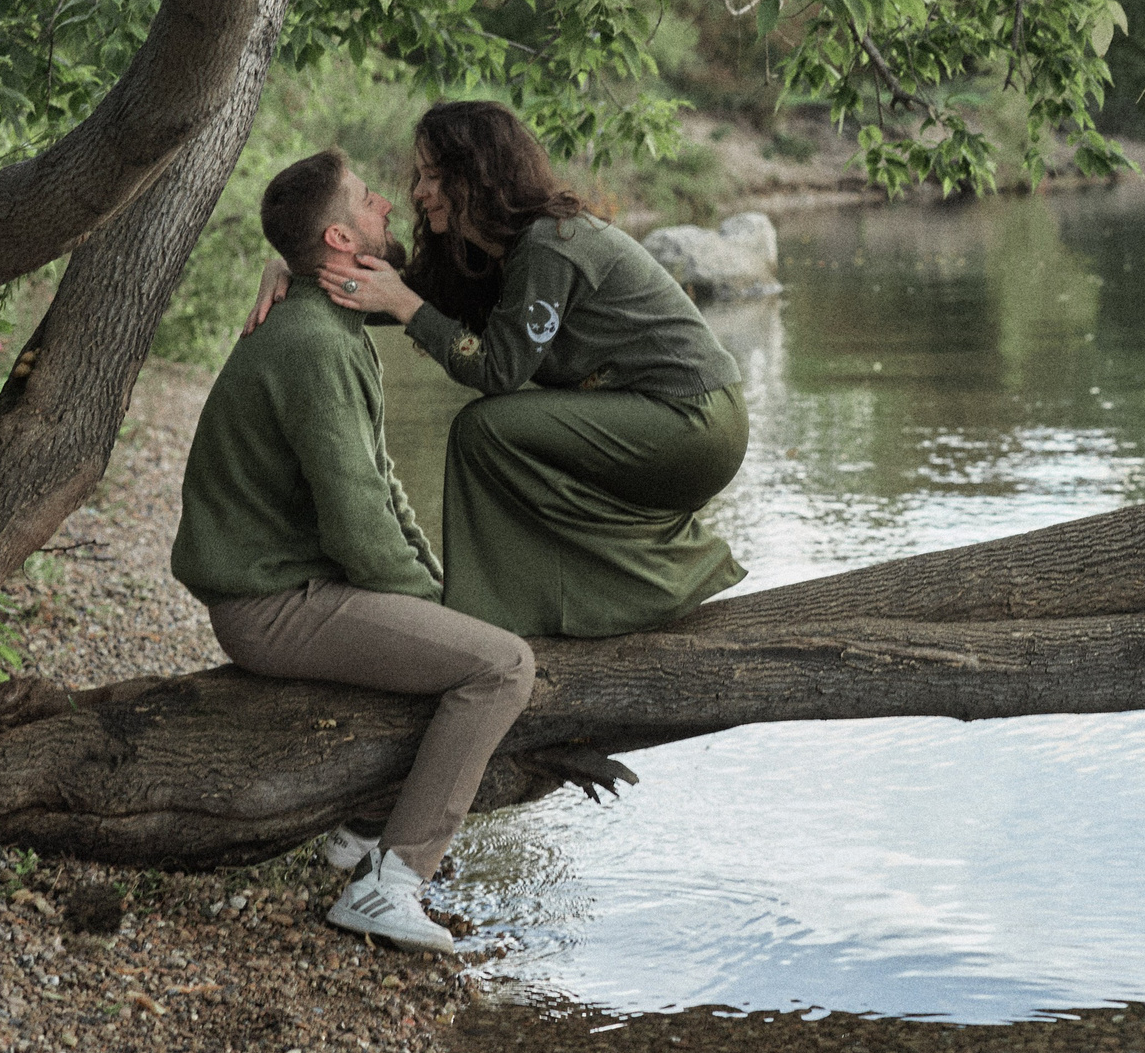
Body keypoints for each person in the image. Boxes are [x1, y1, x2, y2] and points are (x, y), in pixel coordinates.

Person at [175, 148, 535, 953]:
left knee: (463, 635)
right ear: (341, 237)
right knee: (502, 666)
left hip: (294, 585)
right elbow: (359, 529)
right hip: (271, 605)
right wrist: (443, 610)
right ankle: (392, 883)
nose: (390, 208)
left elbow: (380, 487)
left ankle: (361, 829)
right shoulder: (313, 344)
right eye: (372, 201)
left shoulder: (329, 319)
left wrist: (439, 592)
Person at [318, 101, 749, 638]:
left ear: (474, 178)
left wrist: (408, 307)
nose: (419, 192)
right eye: (419, 177)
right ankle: (545, 611)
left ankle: (491, 622)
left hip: (697, 421)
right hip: (664, 417)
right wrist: (294, 272)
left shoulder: (549, 245)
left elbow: (497, 370)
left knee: (485, 430)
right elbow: (392, 296)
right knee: (499, 439)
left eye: (433, 177)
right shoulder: (495, 256)